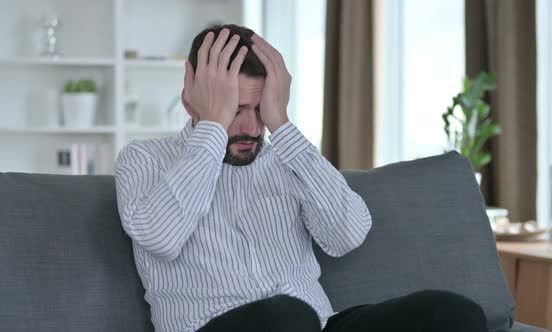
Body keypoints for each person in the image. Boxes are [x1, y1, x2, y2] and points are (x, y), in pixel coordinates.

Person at [115, 24, 487, 332]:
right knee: (285, 317)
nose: (250, 127)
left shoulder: (287, 159)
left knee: (452, 313)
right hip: (219, 326)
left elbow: (348, 233)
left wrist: (282, 124)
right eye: (234, 109)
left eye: (260, 108)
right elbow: (160, 236)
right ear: (190, 101)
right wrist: (212, 125)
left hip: (318, 325)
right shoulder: (144, 158)